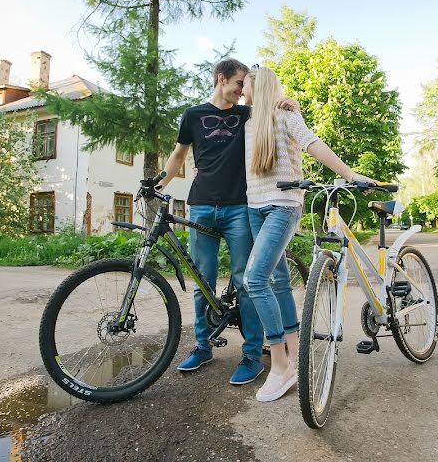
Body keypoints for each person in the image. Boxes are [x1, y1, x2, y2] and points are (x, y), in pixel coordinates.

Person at [158, 58, 298, 386]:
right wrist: (159, 183)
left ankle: (252, 355)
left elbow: (271, 113)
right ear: (222, 80)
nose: (241, 90)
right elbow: (178, 156)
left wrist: (290, 104)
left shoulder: (248, 114)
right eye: (237, 84)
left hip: (240, 206)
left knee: (247, 280)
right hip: (202, 205)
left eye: (244, 86)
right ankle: (203, 346)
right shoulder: (193, 115)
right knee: (202, 281)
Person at [241, 64, 376, 402]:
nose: (241, 92)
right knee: (278, 279)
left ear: (256, 87)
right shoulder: (245, 124)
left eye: (245, 87)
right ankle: (292, 348)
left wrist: (349, 173)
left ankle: (281, 365)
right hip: (253, 207)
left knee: (255, 279)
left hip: (283, 205)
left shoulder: (286, 116)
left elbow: (313, 144)